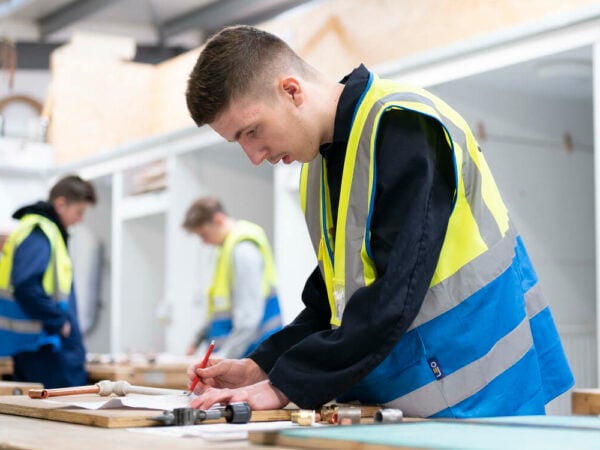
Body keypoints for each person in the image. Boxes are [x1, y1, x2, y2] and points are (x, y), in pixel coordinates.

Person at [183, 25, 574, 418]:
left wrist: (285, 385)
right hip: (418, 398)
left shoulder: (403, 126)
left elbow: (392, 294)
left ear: (291, 90)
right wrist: (262, 365)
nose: (254, 155)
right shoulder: (320, 167)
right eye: (239, 141)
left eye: (253, 131)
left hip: (483, 394)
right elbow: (332, 304)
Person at [0, 175, 96, 388]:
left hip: (43, 348)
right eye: (78, 212)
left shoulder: (43, 232)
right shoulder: (40, 233)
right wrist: (59, 320)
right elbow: (26, 285)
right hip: (46, 350)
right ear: (61, 204)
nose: (80, 219)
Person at [182, 197, 282, 359]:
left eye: (204, 234)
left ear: (218, 220)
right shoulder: (225, 250)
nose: (204, 242)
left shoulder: (243, 250)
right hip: (238, 359)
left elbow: (249, 317)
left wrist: (224, 357)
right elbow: (218, 310)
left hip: (253, 358)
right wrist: (198, 339)